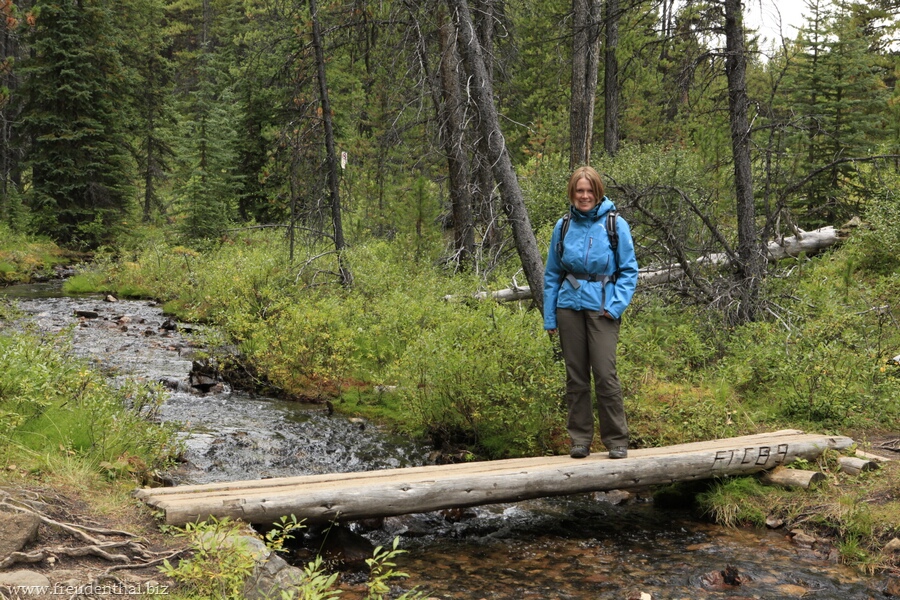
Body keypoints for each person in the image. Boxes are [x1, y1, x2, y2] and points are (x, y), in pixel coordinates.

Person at [543, 166, 639, 459]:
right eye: (579, 191)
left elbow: (629, 270)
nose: (584, 196)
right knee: (576, 377)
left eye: (589, 191)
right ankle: (580, 439)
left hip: (603, 309)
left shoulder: (615, 224)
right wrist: (550, 317)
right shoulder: (563, 225)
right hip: (568, 307)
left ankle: (617, 441)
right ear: (572, 193)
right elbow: (552, 275)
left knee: (605, 374)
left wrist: (615, 306)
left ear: (597, 192)